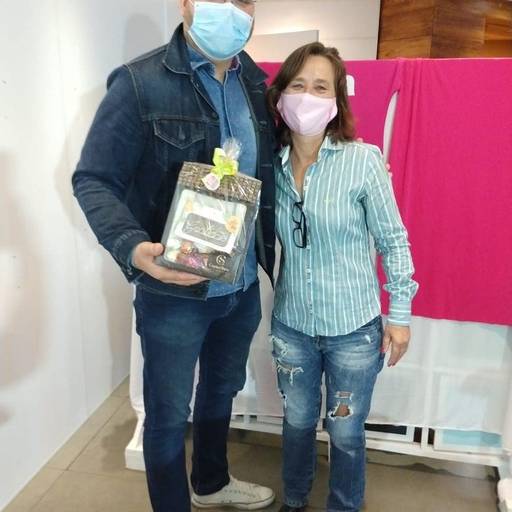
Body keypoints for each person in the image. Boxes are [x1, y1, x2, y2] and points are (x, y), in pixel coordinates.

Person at [71, 1, 277, 511]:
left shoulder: (255, 83)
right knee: (166, 414)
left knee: (221, 391)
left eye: (243, 1)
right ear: (185, 3)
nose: (231, 9)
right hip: (172, 292)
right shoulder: (139, 83)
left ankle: (211, 482)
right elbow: (93, 179)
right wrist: (132, 247)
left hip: (240, 286)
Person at [266, 42, 419, 512]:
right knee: (296, 423)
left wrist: (400, 315)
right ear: (280, 96)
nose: (307, 97)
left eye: (320, 87)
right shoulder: (268, 165)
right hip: (292, 325)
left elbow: (394, 241)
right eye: (297, 85)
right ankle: (295, 500)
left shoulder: (364, 160)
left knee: (346, 430)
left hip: (353, 329)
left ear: (336, 100)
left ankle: (344, 505)